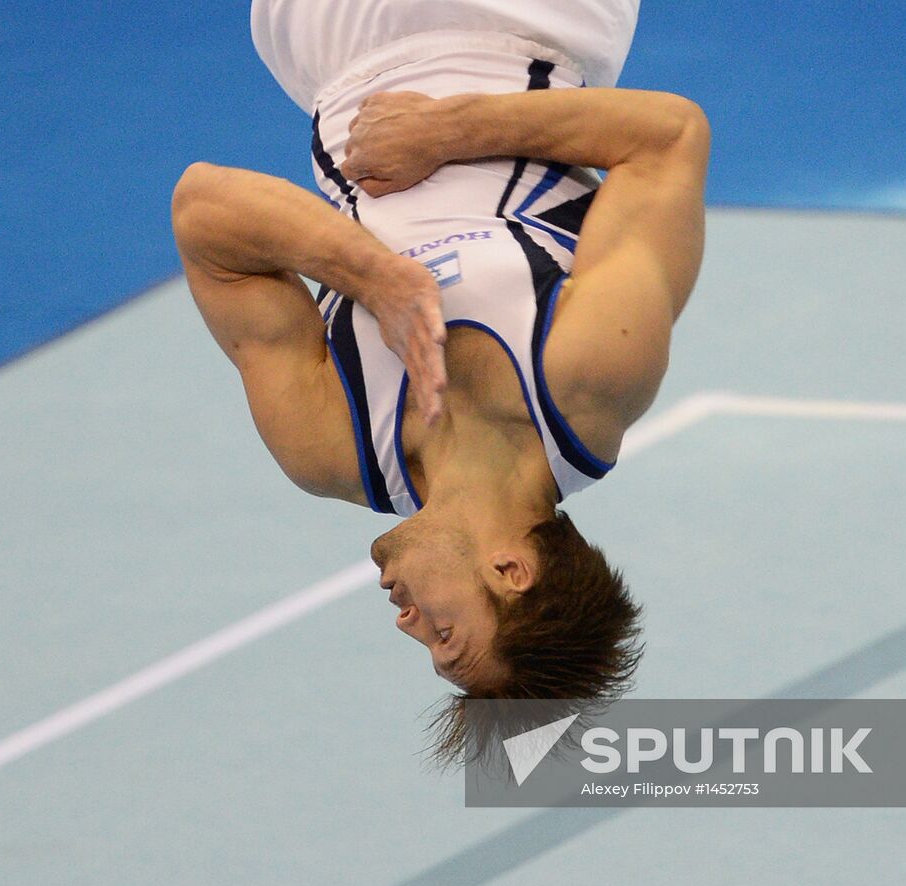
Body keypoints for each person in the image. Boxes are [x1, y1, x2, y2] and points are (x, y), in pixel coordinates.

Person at [172, 0, 709, 764]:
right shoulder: (590, 380)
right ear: (511, 571)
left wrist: (373, 276)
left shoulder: (330, 442)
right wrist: (453, 130)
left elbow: (203, 211)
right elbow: (668, 137)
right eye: (446, 638)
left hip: (322, 46)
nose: (408, 623)